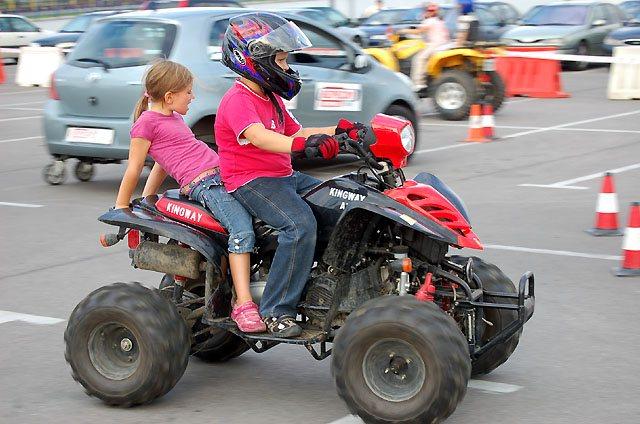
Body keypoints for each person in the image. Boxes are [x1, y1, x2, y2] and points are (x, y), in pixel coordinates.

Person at [216, 12, 365, 337]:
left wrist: (342, 131)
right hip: (251, 181)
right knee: (299, 225)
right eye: (282, 60)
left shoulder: (269, 98)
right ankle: (275, 311)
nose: (287, 68)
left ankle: (322, 284)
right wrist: (302, 145)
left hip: (284, 176)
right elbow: (260, 137)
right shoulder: (238, 100)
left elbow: (300, 131)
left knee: (344, 201)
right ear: (254, 60)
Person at [114, 59, 266, 334]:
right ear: (170, 96)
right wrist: (123, 208)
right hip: (206, 185)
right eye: (188, 92)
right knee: (241, 230)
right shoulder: (146, 123)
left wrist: (148, 200)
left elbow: (162, 163)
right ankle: (244, 304)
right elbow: (135, 167)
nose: (193, 97)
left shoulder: (173, 118)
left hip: (224, 175)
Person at [401, 2, 451, 90]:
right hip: (443, 43)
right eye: (428, 10)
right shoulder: (439, 21)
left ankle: (418, 84)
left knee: (419, 59)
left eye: (430, 10)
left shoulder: (430, 21)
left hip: (436, 44)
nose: (428, 12)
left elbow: (418, 31)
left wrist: (403, 31)